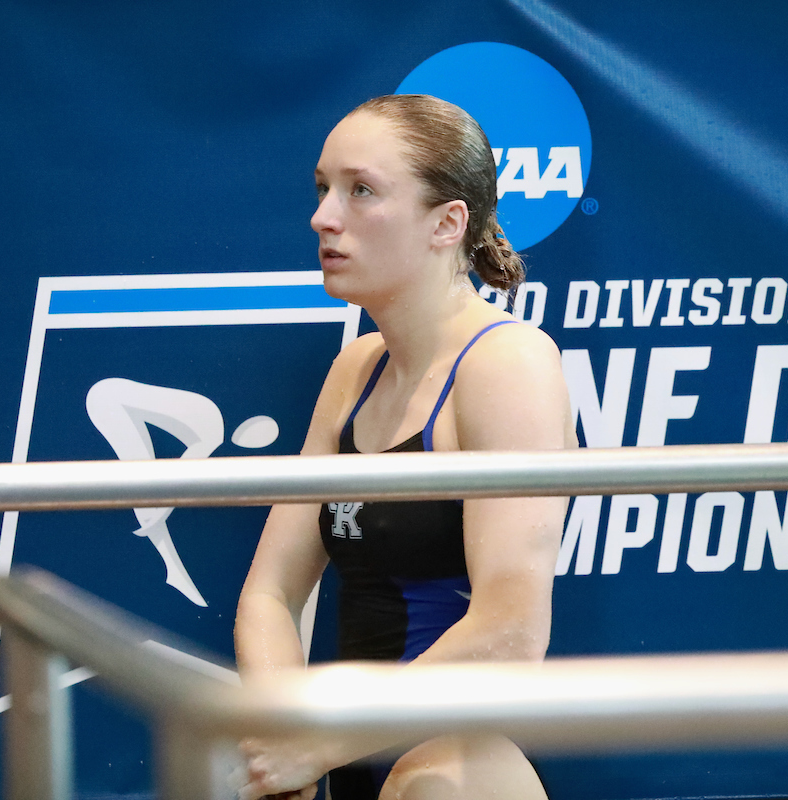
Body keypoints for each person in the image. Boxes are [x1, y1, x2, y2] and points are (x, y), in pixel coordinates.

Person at [234, 94, 574, 800]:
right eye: (323, 187)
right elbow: (270, 591)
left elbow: (513, 630)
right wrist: (285, 741)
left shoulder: (506, 364)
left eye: (361, 191)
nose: (323, 217)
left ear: (447, 223)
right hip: (346, 764)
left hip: (454, 773)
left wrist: (320, 746)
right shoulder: (355, 370)